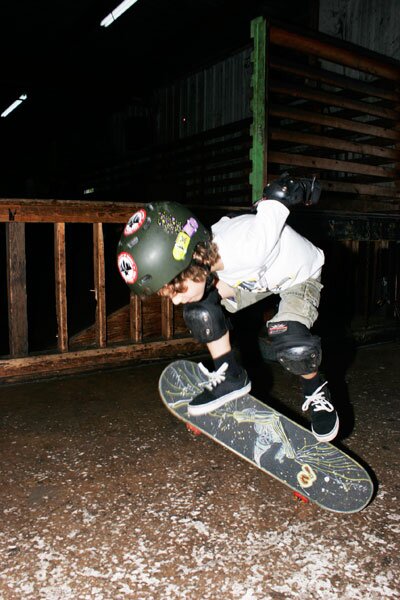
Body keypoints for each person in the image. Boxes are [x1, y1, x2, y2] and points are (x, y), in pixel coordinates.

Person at [117, 173, 339, 442]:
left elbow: (279, 196)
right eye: (168, 295)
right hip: (254, 280)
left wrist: (300, 188)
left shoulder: (249, 246)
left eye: (176, 290)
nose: (174, 300)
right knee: (199, 309)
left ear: (195, 263)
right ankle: (230, 375)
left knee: (290, 340)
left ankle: (315, 389)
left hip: (299, 276)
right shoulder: (204, 257)